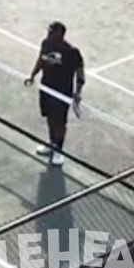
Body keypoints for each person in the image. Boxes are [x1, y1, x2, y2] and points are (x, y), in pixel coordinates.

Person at [24, 21, 85, 167]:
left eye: (51, 32)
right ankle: (52, 144)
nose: (48, 34)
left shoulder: (71, 52)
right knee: (50, 119)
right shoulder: (46, 44)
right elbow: (41, 59)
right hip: (46, 88)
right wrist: (32, 75)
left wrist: (77, 92)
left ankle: (59, 150)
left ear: (60, 34)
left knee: (60, 122)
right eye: (48, 31)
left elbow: (80, 72)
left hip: (62, 93)